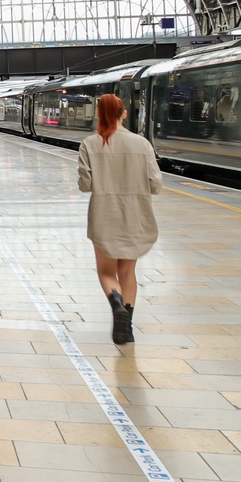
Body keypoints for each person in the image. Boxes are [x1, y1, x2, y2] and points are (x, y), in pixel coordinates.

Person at [77, 93, 163, 345]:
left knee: (106, 271)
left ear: (99, 115)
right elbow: (155, 184)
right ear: (123, 114)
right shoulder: (142, 144)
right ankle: (127, 328)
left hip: (104, 213)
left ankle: (116, 306)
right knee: (127, 271)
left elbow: (85, 184)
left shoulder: (89, 144)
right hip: (137, 213)